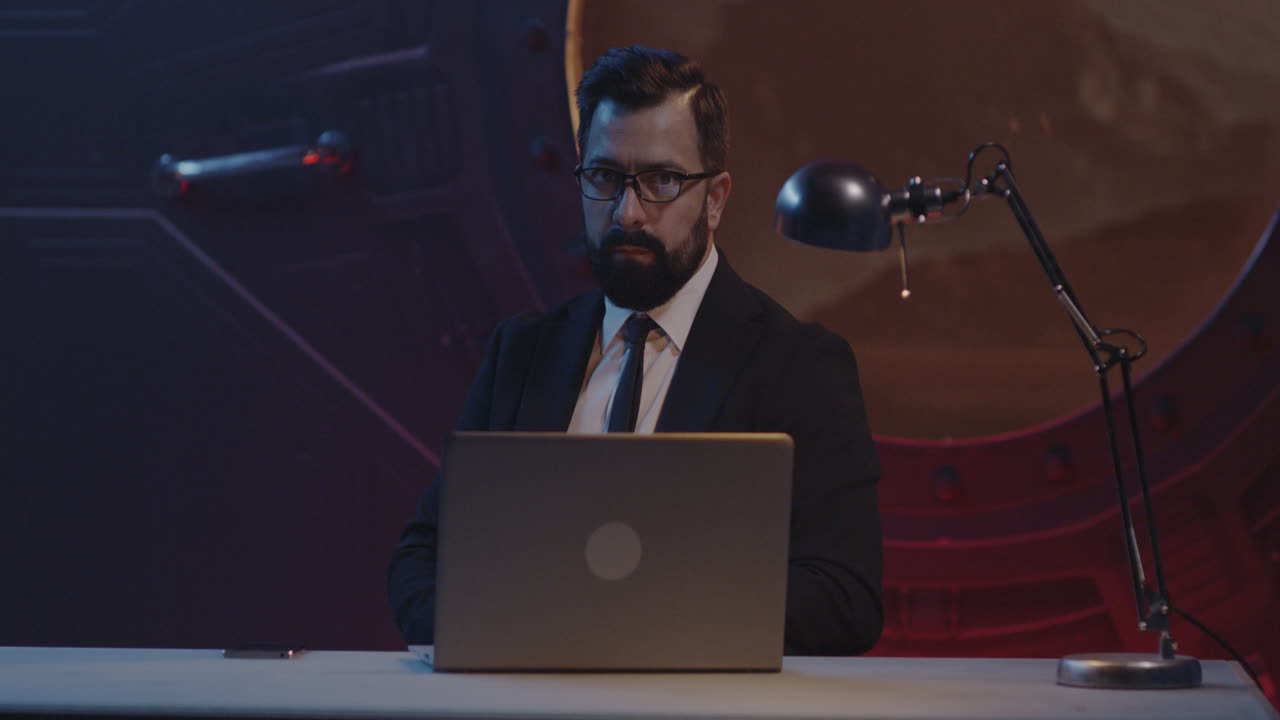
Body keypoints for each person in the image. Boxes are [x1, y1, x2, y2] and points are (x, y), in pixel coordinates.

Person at [388, 46, 883, 655]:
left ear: (716, 196)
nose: (628, 212)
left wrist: (626, 621)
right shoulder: (521, 352)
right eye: (604, 178)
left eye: (661, 181)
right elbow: (421, 560)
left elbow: (845, 598)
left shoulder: (799, 365)